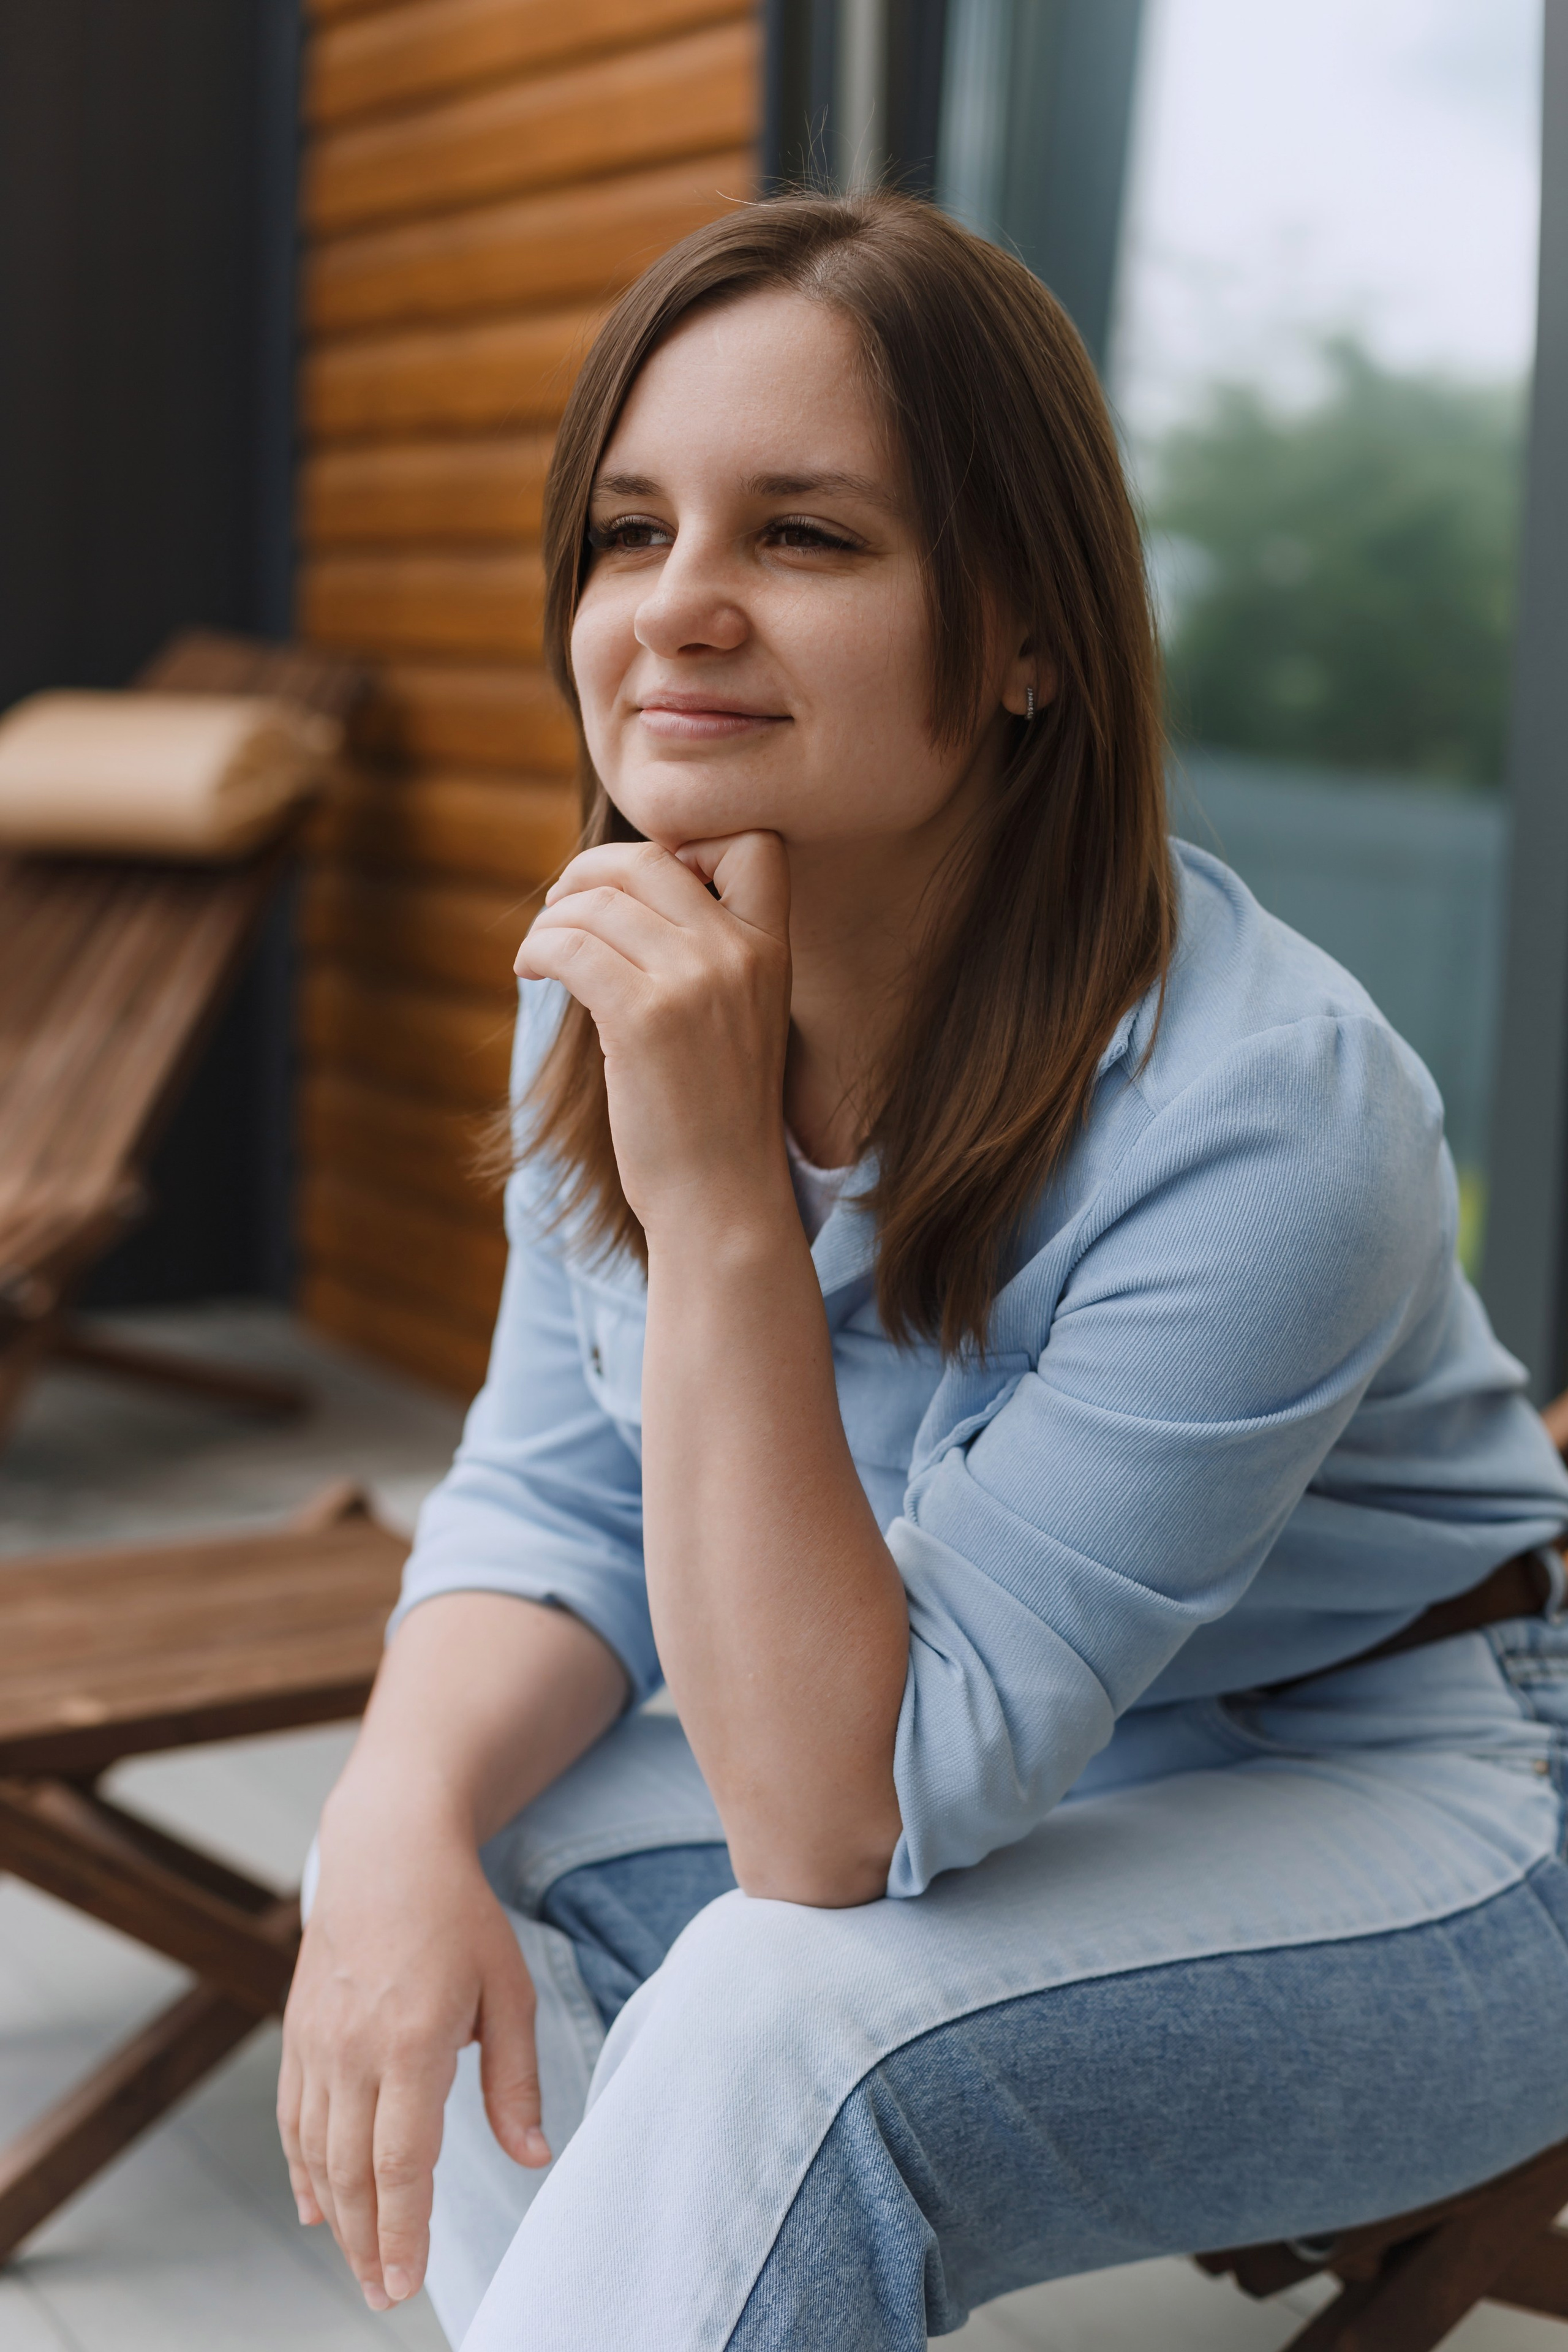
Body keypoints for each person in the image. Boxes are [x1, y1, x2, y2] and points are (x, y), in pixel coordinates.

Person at [277, 192, 1568, 2351]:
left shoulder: (1274, 1112)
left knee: (795, 2018)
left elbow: (832, 1821)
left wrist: (721, 1201)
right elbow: (557, 1503)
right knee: (425, 1847)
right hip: (1023, 1754)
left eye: (804, 535)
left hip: (1437, 1800)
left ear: (1027, 639)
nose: (678, 607)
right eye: (628, 531)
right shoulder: (626, 977)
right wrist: (396, 1812)